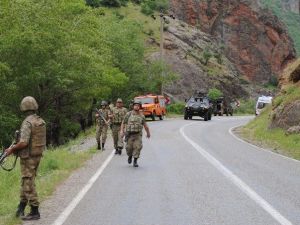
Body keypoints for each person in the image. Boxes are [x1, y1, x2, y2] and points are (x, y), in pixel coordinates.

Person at [5, 96, 46, 220]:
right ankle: (21, 207)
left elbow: (23, 142)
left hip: (28, 157)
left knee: (28, 182)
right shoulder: (40, 121)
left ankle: (35, 211)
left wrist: (12, 149)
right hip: (37, 155)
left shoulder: (27, 122)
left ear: (24, 107)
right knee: (26, 181)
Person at [120, 100, 150, 167]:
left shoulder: (142, 116)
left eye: (138, 105)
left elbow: (145, 125)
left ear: (140, 107)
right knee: (128, 148)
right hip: (129, 135)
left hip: (138, 135)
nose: (136, 106)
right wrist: (122, 131)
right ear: (133, 106)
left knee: (138, 147)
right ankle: (130, 156)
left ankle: (135, 161)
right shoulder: (129, 114)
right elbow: (123, 122)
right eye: (135, 105)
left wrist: (148, 133)